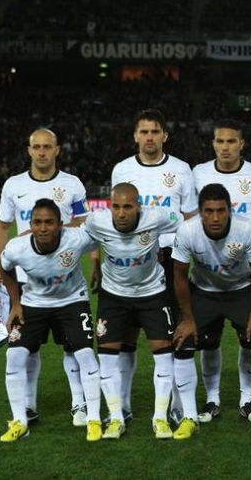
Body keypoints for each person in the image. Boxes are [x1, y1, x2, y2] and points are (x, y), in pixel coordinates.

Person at [0, 128, 91, 427]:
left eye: (48, 147)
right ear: (29, 150)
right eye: (37, 147)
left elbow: (83, 223)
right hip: (23, 278)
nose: (42, 152)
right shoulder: (14, 184)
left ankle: (79, 404)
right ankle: (29, 405)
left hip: (65, 275)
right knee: (26, 343)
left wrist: (51, 233)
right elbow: (2, 227)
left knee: (73, 343)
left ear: (57, 150)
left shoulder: (72, 184)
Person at [109, 109, 197, 424]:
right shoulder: (121, 170)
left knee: (173, 335)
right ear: (135, 136)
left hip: (171, 258)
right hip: (132, 261)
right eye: (144, 132)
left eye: (155, 132)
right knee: (125, 335)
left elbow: (189, 219)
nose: (149, 137)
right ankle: (124, 407)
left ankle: (174, 407)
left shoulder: (182, 170)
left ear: (164, 135)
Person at [83, 183, 183, 439]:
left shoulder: (157, 216)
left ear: (139, 206)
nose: (122, 213)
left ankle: (160, 418)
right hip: (114, 296)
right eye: (116, 206)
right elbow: (83, 238)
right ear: (109, 206)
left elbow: (182, 222)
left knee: (163, 353)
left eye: (128, 206)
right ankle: (116, 418)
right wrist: (95, 261)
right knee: (107, 356)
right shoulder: (97, 221)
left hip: (153, 293)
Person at [191, 121, 251, 422]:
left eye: (231, 141)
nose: (225, 146)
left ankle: (246, 399)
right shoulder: (198, 173)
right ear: (213, 144)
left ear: (242, 144)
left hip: (244, 278)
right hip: (206, 280)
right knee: (208, 341)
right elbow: (190, 217)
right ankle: (212, 399)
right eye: (220, 141)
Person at [0, 199, 102, 442]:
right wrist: (15, 302)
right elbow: (4, 268)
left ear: (60, 225)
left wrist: (98, 264)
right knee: (14, 355)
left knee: (84, 353)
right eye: (37, 222)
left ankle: (94, 419)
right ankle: (20, 422)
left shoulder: (76, 238)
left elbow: (104, 236)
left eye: (48, 222)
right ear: (30, 224)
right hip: (34, 303)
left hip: (72, 300)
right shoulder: (16, 247)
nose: (43, 228)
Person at [171, 184, 251, 439]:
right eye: (209, 211)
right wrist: (188, 319)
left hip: (241, 289)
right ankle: (198, 409)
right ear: (200, 212)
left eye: (221, 211)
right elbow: (179, 276)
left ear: (230, 210)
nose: (215, 218)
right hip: (203, 292)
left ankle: (247, 401)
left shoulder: (246, 228)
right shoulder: (187, 230)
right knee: (185, 342)